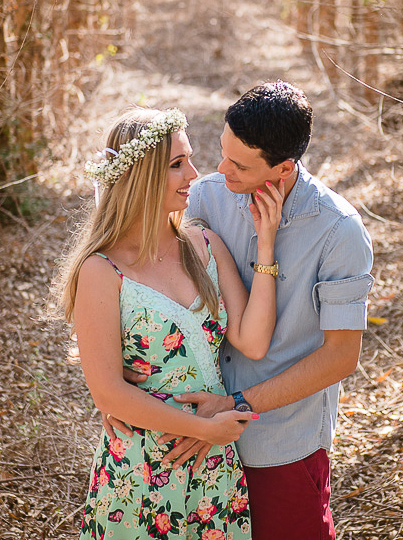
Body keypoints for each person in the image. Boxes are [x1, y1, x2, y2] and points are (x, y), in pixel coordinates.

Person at [112, 82, 374, 540]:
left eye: (239, 164)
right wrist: (115, 386)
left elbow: (340, 357)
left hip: (279, 442)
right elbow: (131, 273)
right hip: (192, 438)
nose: (220, 169)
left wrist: (235, 406)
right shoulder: (203, 198)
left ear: (285, 168)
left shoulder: (339, 231)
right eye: (222, 152)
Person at [60, 107, 286, 540]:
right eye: (177, 164)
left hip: (212, 468)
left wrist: (266, 244)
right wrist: (205, 429)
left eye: (190, 159)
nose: (194, 174)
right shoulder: (101, 270)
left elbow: (253, 341)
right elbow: (108, 391)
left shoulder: (205, 245)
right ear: (141, 176)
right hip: (142, 468)